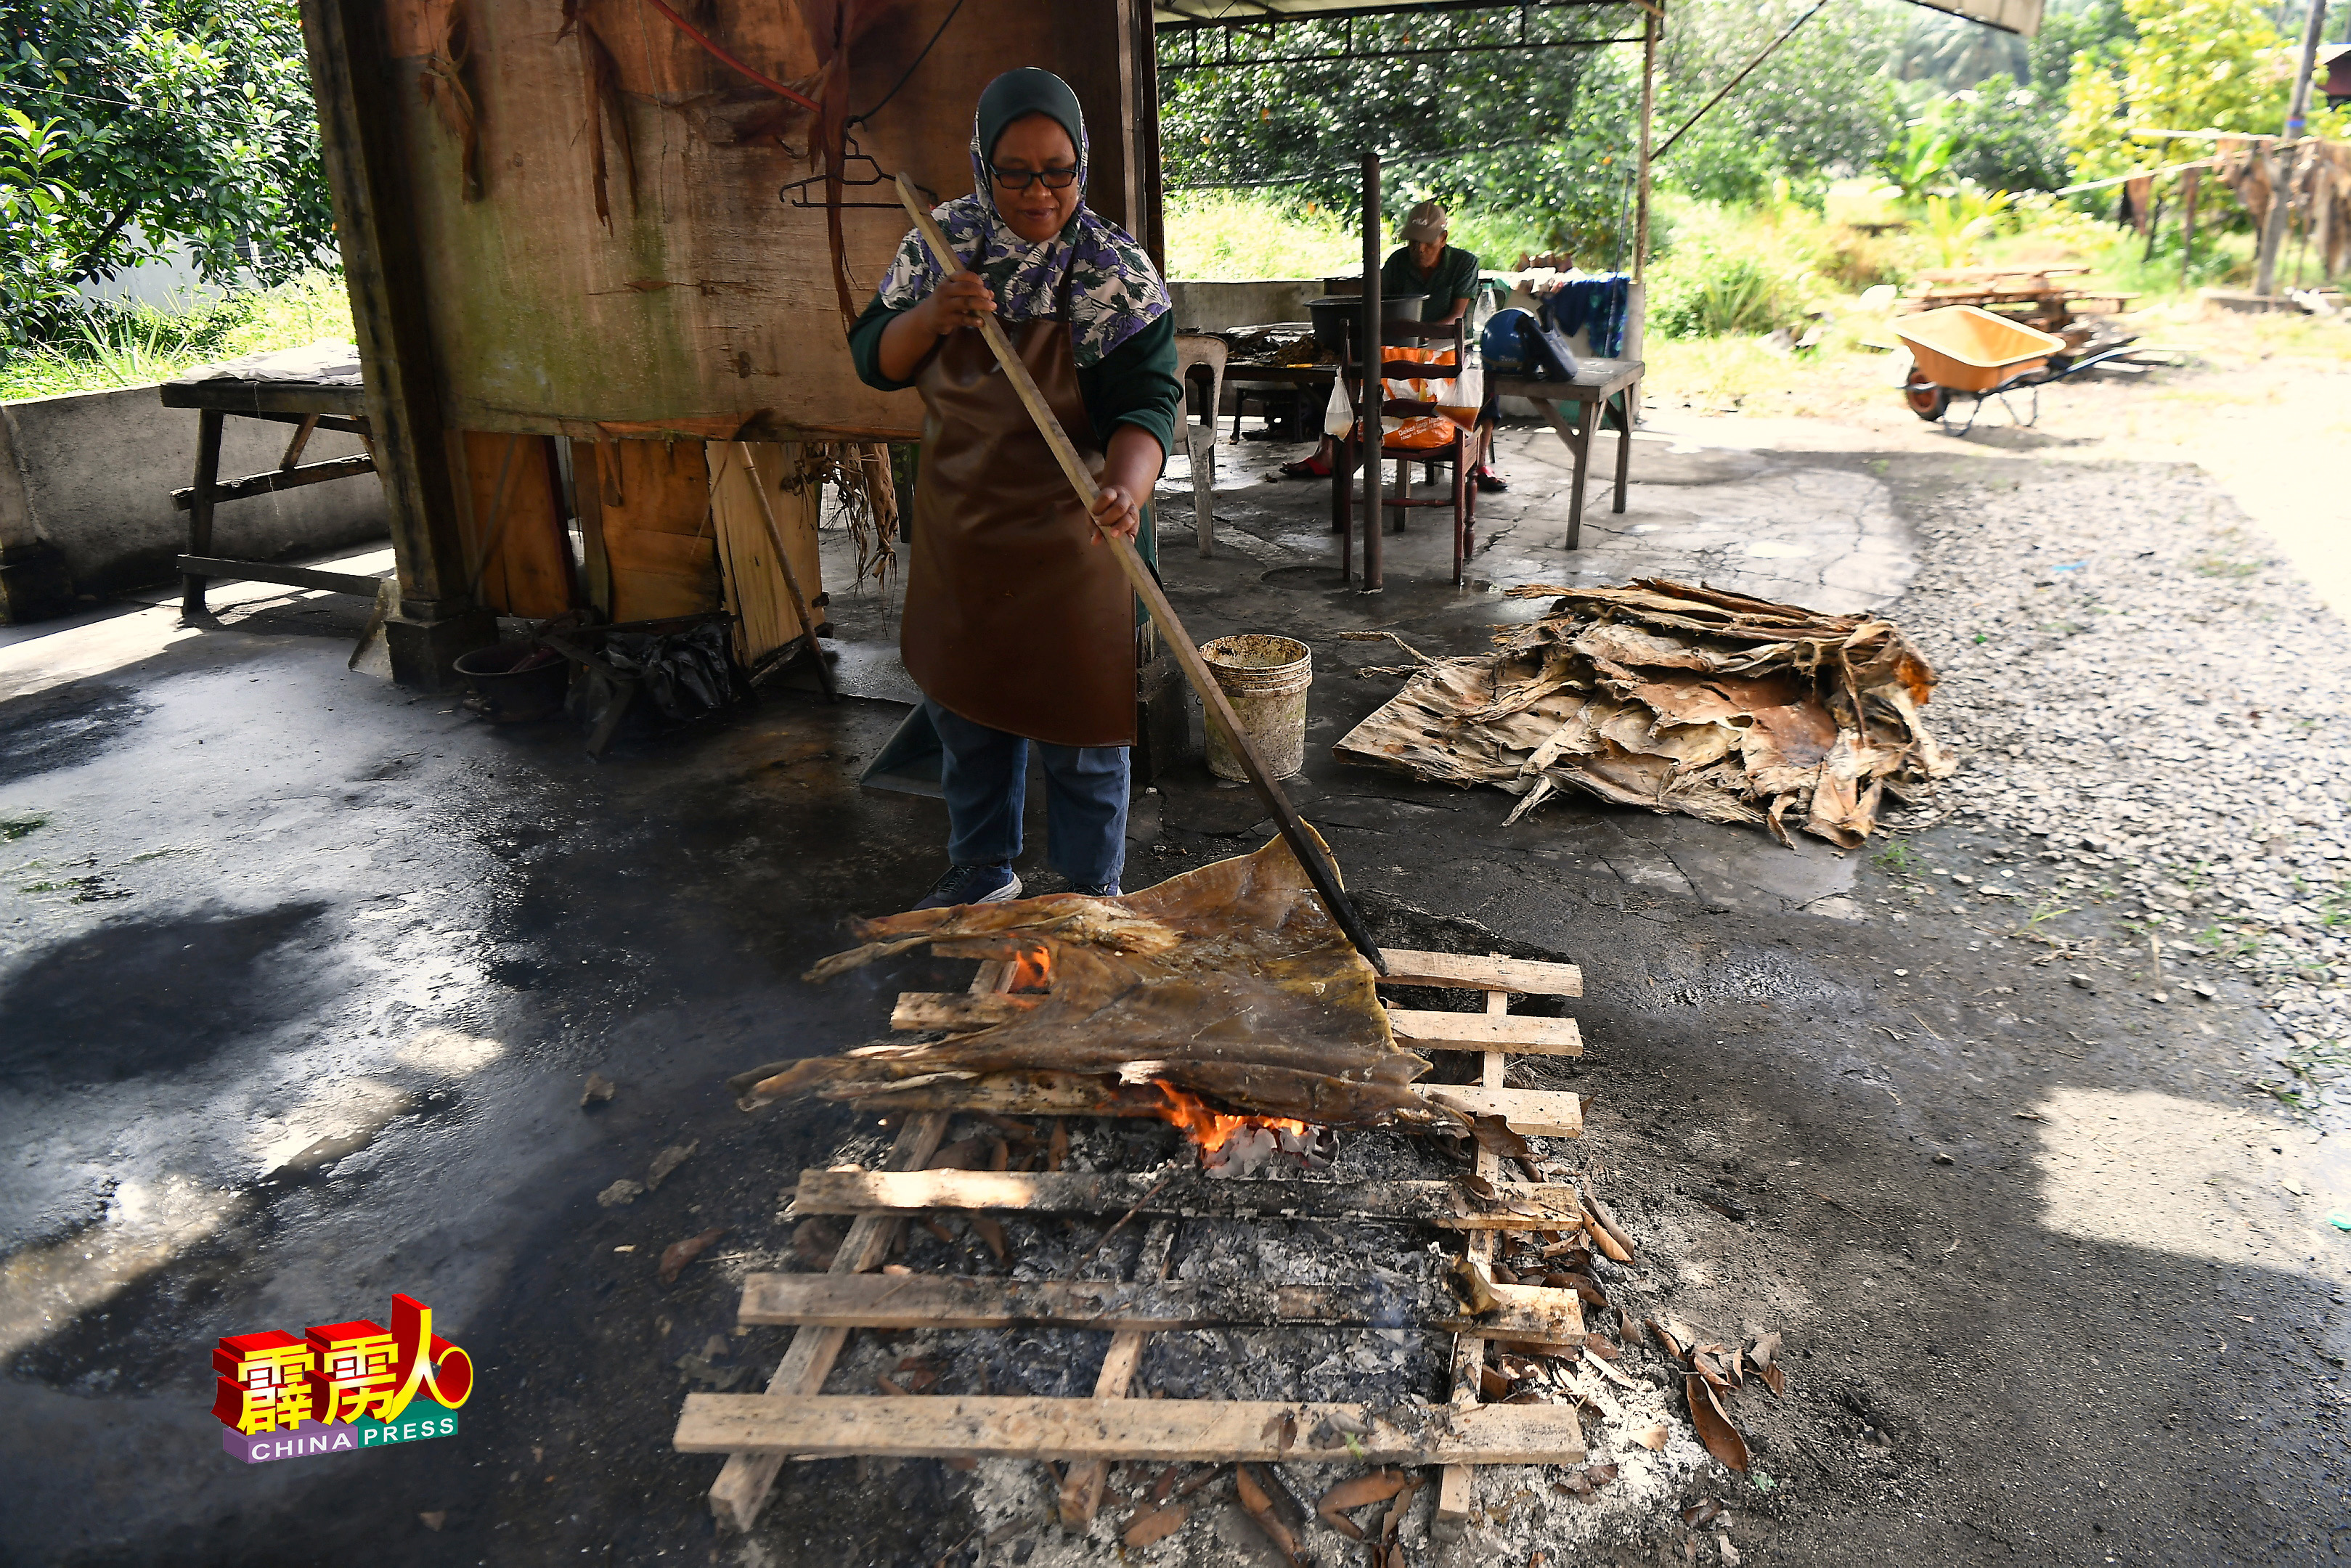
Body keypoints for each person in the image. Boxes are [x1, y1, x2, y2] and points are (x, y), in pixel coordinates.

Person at [849, 68, 1182, 910]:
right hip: (967, 527)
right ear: (981, 165)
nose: (1039, 192)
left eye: (1058, 171)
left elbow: (1149, 397)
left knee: (1082, 729)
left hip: (1083, 534)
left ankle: (1086, 895)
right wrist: (932, 316)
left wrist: (1127, 483)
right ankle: (982, 870)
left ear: (1083, 165)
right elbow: (873, 361)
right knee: (972, 713)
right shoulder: (941, 244)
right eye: (1015, 171)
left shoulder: (1112, 269)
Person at [1281, 199, 1505, 491]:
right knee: (1339, 379)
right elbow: (1378, 308)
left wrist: (1420, 337)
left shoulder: (1464, 263)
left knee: (1485, 383)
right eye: (1413, 243)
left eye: (1426, 243)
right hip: (1397, 346)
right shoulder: (1397, 263)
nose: (1419, 250)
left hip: (1444, 345)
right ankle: (1327, 454)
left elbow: (1456, 316)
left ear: (1443, 238)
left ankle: (1479, 463)